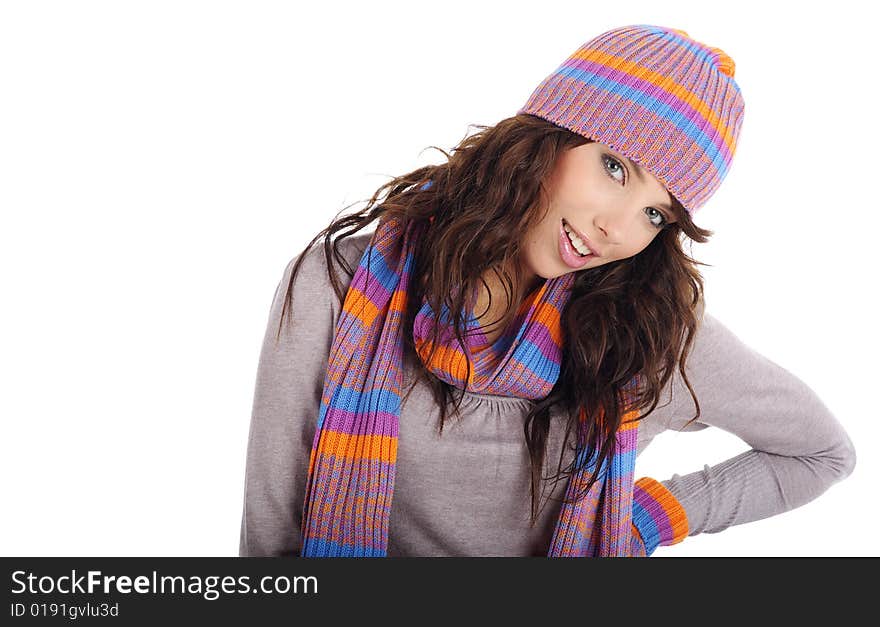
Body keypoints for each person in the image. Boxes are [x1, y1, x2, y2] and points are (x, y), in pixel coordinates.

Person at [238, 24, 856, 557]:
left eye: (655, 215)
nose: (616, 229)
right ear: (547, 137)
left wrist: (635, 520)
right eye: (615, 168)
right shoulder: (339, 285)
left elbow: (822, 453)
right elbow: (272, 539)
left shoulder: (646, 332)